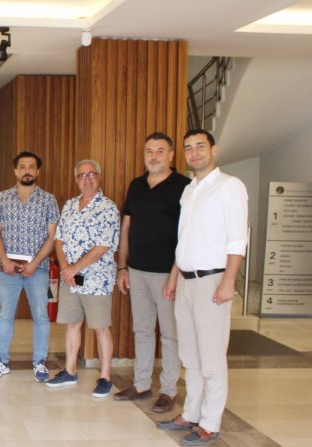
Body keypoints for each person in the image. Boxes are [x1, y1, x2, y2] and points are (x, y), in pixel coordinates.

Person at [156, 129, 247, 447]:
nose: (194, 152)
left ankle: (210, 423)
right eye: (188, 148)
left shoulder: (230, 187)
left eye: (200, 146)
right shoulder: (190, 189)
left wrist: (228, 281)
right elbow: (184, 239)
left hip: (213, 281)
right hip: (186, 280)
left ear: (213, 150)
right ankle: (191, 413)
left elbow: (237, 239)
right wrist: (174, 277)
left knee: (211, 357)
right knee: (190, 355)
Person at [113, 133, 190, 412]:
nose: (154, 156)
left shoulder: (184, 186)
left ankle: (168, 390)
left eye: (160, 151)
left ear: (171, 155)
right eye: (149, 151)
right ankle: (142, 384)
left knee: (170, 334)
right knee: (142, 330)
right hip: (137, 271)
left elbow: (187, 234)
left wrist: (175, 274)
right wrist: (122, 266)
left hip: (168, 274)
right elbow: (126, 227)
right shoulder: (136, 185)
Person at [48, 159, 119, 398]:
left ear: (99, 176)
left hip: (97, 280)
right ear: (76, 179)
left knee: (100, 327)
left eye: (91, 174)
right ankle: (70, 371)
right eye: (81, 175)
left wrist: (74, 268)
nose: (87, 179)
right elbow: (59, 239)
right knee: (72, 324)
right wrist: (65, 268)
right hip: (70, 279)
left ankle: (105, 377)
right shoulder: (70, 205)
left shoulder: (108, 207)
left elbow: (103, 246)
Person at [0, 151, 59, 381]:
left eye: (31, 167)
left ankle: (40, 363)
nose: (27, 171)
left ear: (38, 171)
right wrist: (5, 260)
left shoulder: (48, 200)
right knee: (5, 315)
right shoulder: (1, 198)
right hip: (7, 270)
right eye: (22, 167)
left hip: (37, 269)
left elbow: (52, 237)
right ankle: (1, 361)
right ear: (15, 170)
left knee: (41, 316)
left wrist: (35, 263)